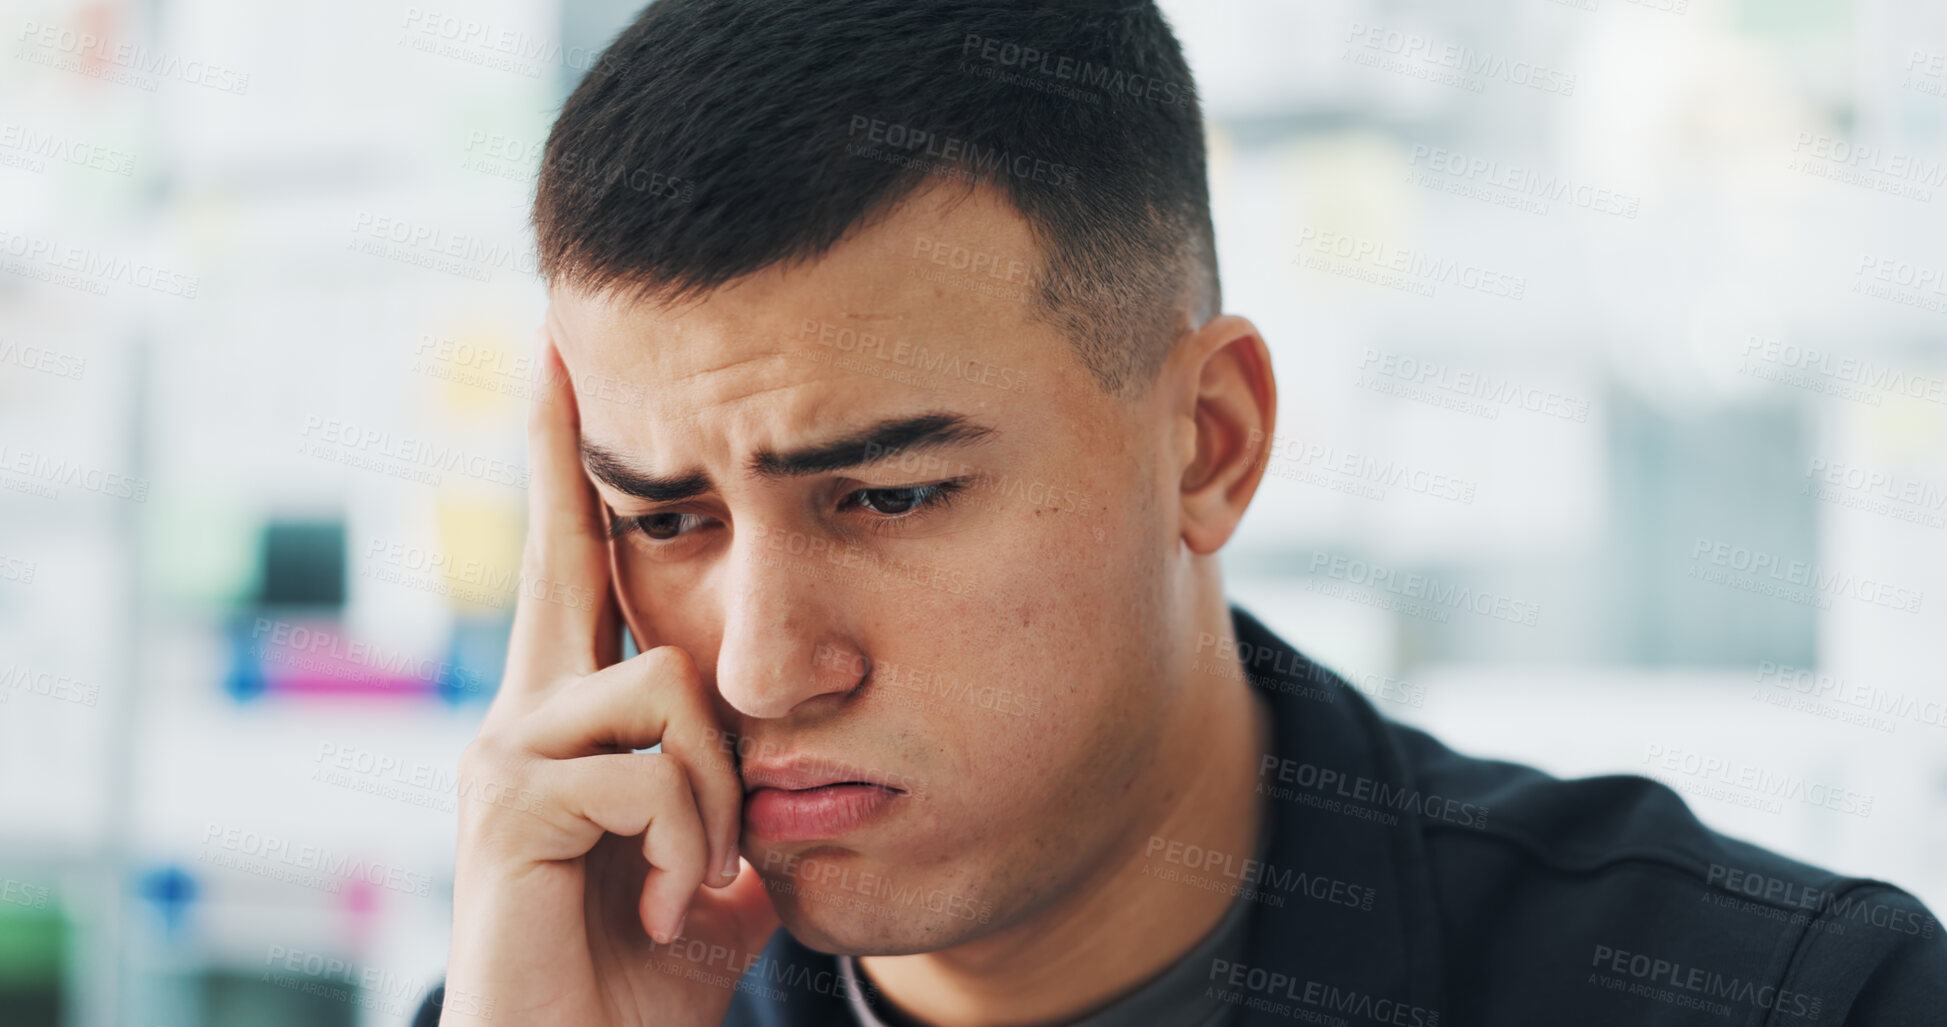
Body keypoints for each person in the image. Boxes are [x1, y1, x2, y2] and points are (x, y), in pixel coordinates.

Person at [417, 1, 1947, 1023]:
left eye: (889, 494)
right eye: (667, 521)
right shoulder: (548, 1000)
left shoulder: (1793, 1002)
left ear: (1208, 444)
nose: (758, 668)